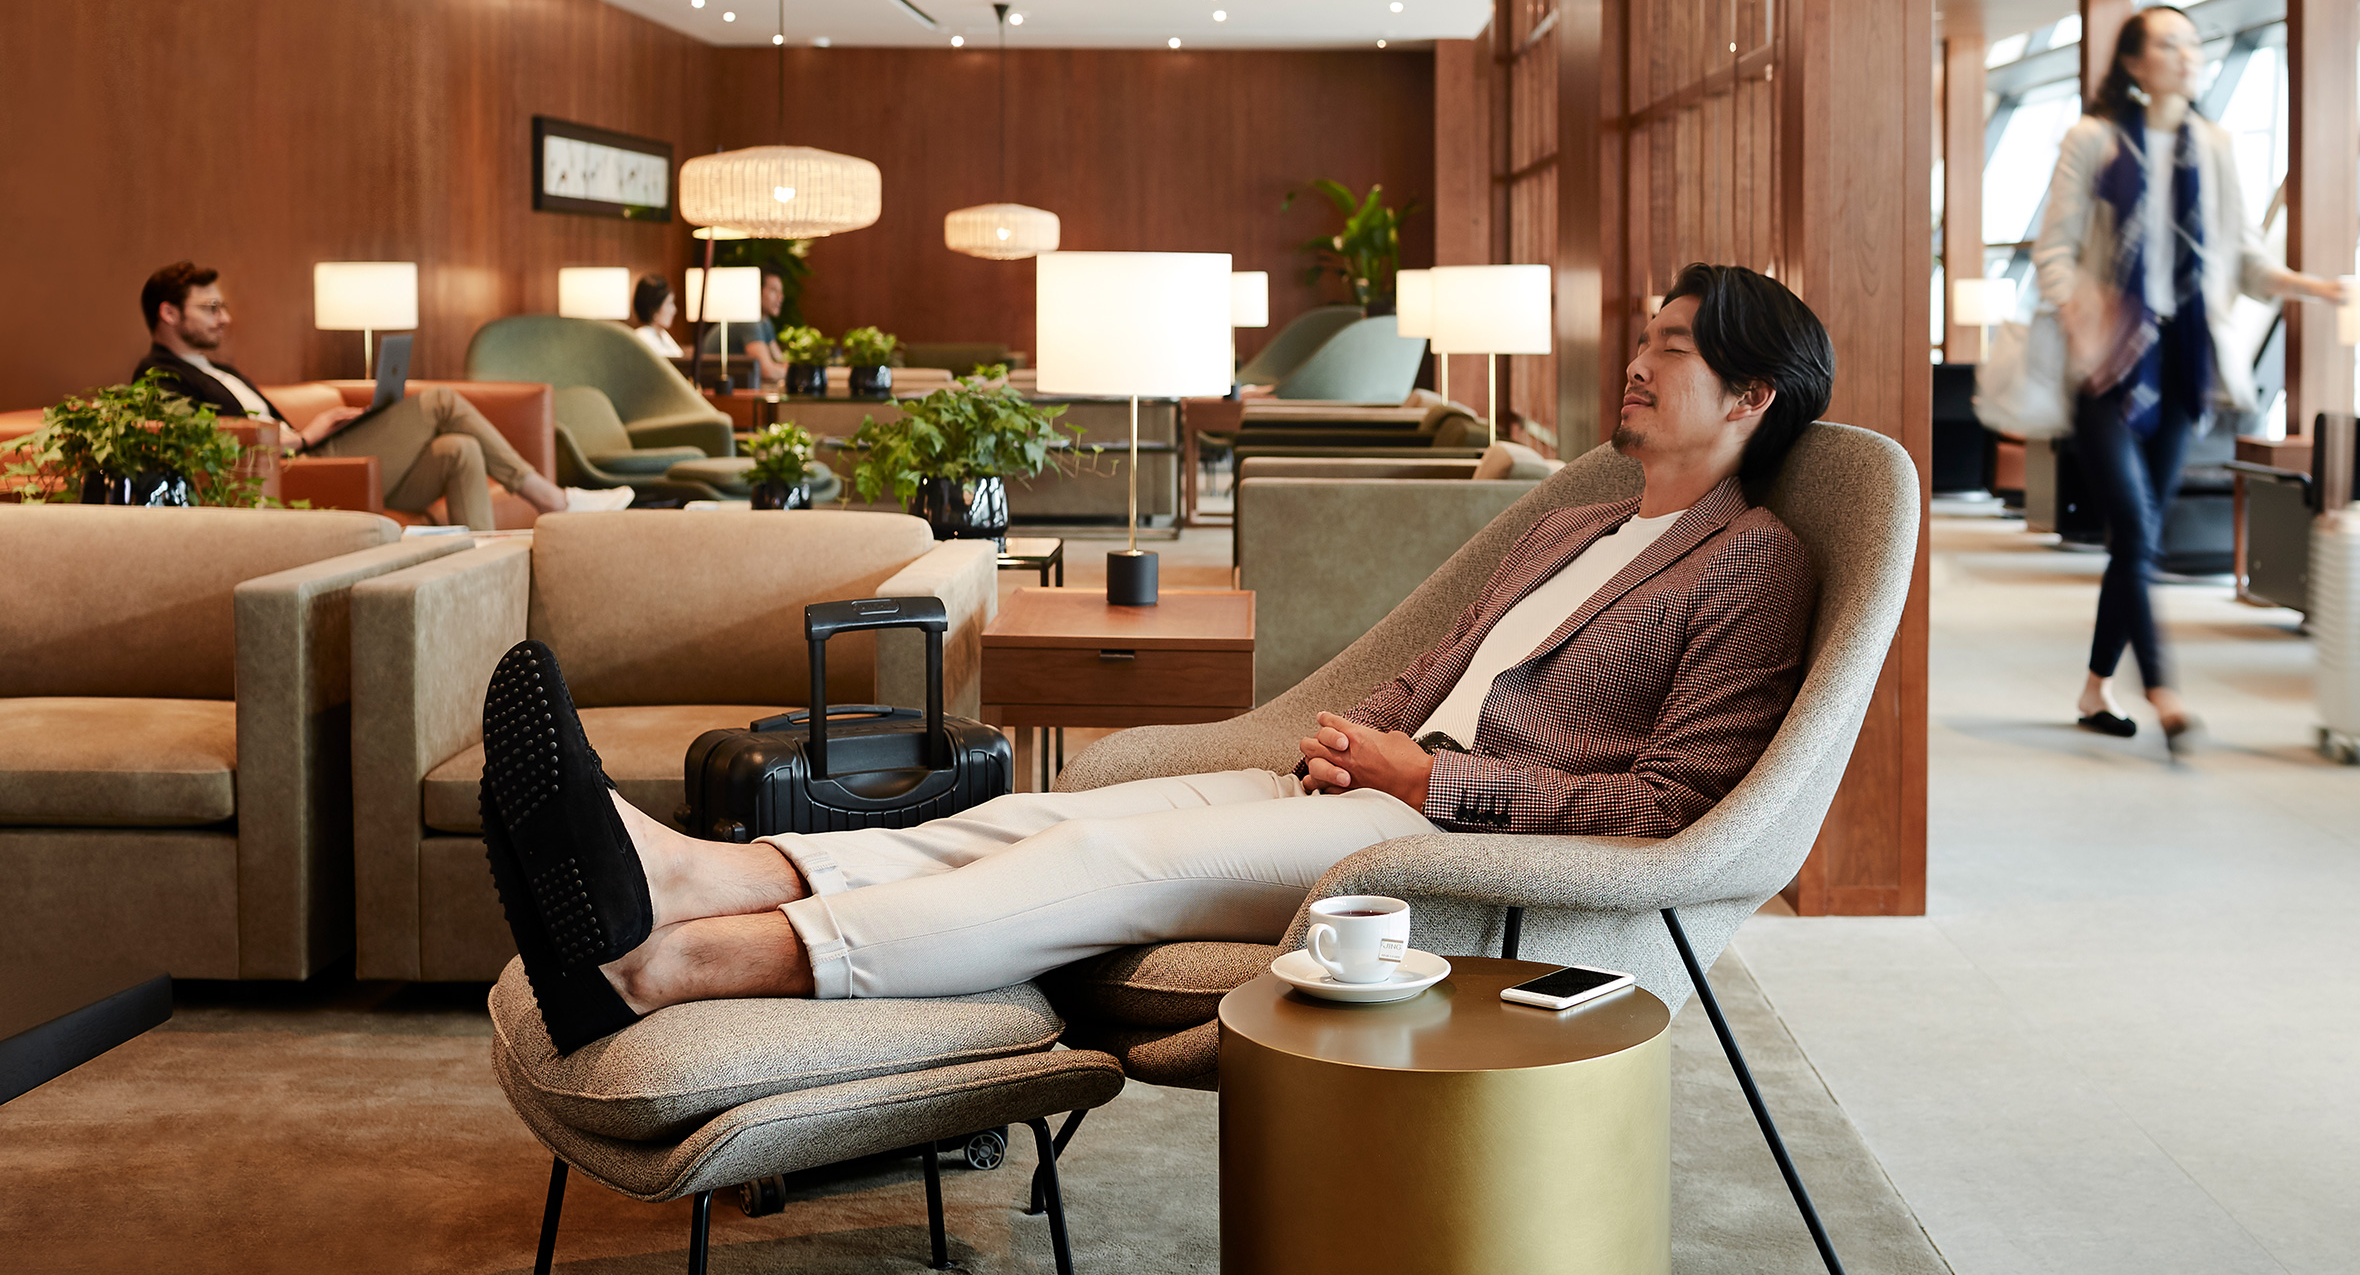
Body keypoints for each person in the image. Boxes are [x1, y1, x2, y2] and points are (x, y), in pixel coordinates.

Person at [483, 263, 1835, 1052]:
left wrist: (1426, 786)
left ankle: (677, 971)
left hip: (1455, 855)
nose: (1639, 363)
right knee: (1030, 812)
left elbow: (1669, 810)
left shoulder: (1752, 565)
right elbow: (1439, 669)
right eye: (1647, 338)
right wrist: (1354, 732)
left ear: (1753, 394)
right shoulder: (1589, 515)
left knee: (1099, 865)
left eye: (1673, 348)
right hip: (1363, 791)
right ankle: (692, 871)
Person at [2032, 9, 2346, 751]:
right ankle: (2166, 692)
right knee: (2137, 528)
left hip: (2182, 361)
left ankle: (2094, 689)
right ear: (2135, 63)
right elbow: (2054, 249)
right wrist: (2084, 312)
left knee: (2132, 542)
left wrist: (2316, 287)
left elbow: (2243, 261)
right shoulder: (2093, 140)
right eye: (2170, 44)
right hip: (2110, 361)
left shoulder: (2216, 146)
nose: (2188, 55)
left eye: (2195, 42)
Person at [132, 261, 628, 529]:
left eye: (221, 306)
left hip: (316, 452)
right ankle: (554, 500)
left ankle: (484, 563)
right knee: (441, 402)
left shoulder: (217, 368)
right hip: (299, 469)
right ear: (169, 314)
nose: (224, 317)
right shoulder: (156, 376)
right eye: (208, 307)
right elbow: (211, 443)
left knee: (459, 449)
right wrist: (304, 439)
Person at [694, 267, 789, 387]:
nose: (780, 298)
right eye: (774, 291)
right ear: (757, 291)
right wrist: (793, 372)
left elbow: (779, 359)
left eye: (781, 292)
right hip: (715, 388)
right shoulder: (748, 320)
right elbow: (767, 371)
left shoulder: (765, 321)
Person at [630, 274, 682, 358]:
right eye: (669, 304)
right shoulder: (642, 338)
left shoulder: (663, 335)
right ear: (654, 310)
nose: (674, 310)